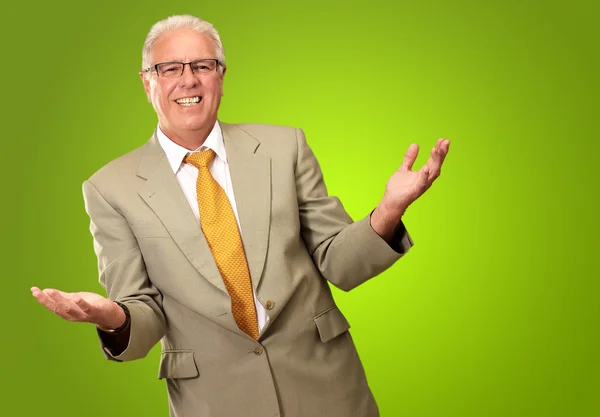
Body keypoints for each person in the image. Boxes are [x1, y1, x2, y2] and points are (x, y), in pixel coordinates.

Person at [31, 14, 450, 417]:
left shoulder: (284, 147)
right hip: (214, 401)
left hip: (328, 390)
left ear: (221, 76)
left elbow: (339, 262)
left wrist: (390, 209)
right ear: (147, 82)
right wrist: (110, 316)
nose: (188, 79)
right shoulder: (109, 188)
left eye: (202, 65)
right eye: (169, 68)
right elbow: (144, 312)